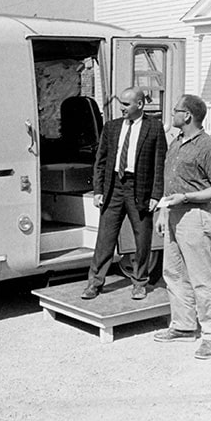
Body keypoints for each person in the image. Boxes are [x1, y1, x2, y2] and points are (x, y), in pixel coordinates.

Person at [153, 94, 211, 360]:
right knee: (173, 273)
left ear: (187, 115)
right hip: (174, 214)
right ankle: (184, 325)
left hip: (196, 217)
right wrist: (165, 212)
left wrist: (186, 198)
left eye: (175, 110)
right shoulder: (176, 142)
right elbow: (169, 181)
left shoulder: (208, 147)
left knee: (202, 278)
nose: (171, 115)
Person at [81, 86, 167, 300]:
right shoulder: (111, 127)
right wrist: (99, 190)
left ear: (140, 104)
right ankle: (95, 283)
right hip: (114, 188)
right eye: (121, 104)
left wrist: (156, 195)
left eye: (126, 104)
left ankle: (139, 282)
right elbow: (100, 162)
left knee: (142, 238)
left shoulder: (154, 128)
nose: (122, 109)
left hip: (140, 189)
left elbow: (159, 165)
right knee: (105, 238)